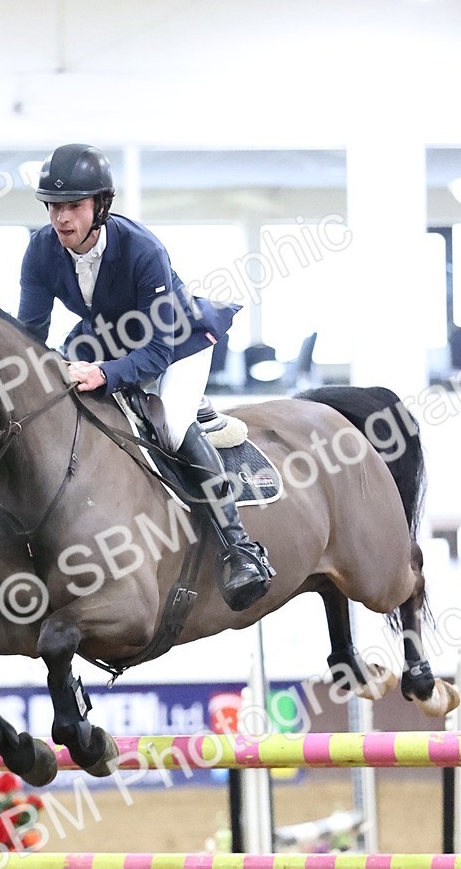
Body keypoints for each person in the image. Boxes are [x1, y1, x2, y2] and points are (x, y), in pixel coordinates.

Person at [18, 142, 274, 612]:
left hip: (177, 339)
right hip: (106, 334)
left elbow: (156, 351)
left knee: (172, 429)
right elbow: (31, 334)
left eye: (73, 206)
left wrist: (102, 374)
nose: (61, 219)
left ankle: (240, 548)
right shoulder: (39, 251)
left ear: (100, 206)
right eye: (53, 206)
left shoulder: (143, 250)